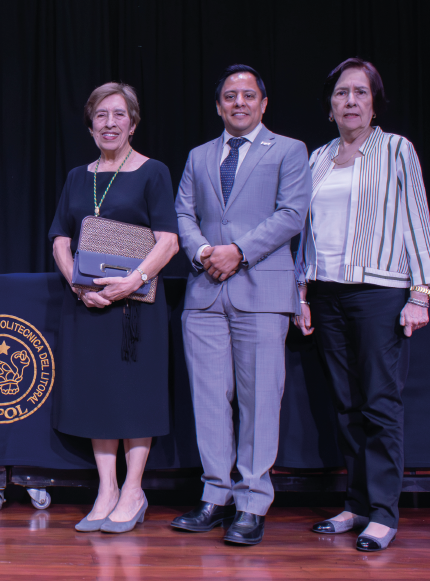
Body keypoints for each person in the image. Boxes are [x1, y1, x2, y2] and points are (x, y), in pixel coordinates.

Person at [294, 58, 430, 552]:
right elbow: (305, 231)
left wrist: (421, 293)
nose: (350, 101)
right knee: (346, 404)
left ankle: (384, 513)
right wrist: (302, 290)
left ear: (374, 104)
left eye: (360, 93)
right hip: (326, 292)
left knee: (380, 403)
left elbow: (417, 222)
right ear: (331, 108)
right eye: (341, 95)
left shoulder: (396, 150)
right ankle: (355, 503)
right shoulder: (318, 158)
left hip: (380, 291)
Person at [173, 64, 311, 545]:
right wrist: (205, 251)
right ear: (218, 105)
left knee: (259, 402)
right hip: (206, 292)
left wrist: (240, 251)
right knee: (209, 401)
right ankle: (216, 496)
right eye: (230, 96)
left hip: (261, 291)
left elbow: (293, 213)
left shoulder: (289, 150)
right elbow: (183, 214)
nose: (239, 103)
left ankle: (252, 502)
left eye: (248, 96)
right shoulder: (198, 156)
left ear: (263, 103)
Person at [49, 82, 179, 534]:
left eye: (118, 115)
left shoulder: (153, 172)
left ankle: (134, 490)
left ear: (133, 122)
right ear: (90, 124)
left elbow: (169, 240)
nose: (109, 123)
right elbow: (60, 239)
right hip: (88, 303)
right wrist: (78, 285)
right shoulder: (76, 176)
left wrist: (133, 281)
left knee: (133, 397)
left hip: (134, 309)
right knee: (98, 396)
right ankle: (106, 488)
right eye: (101, 115)